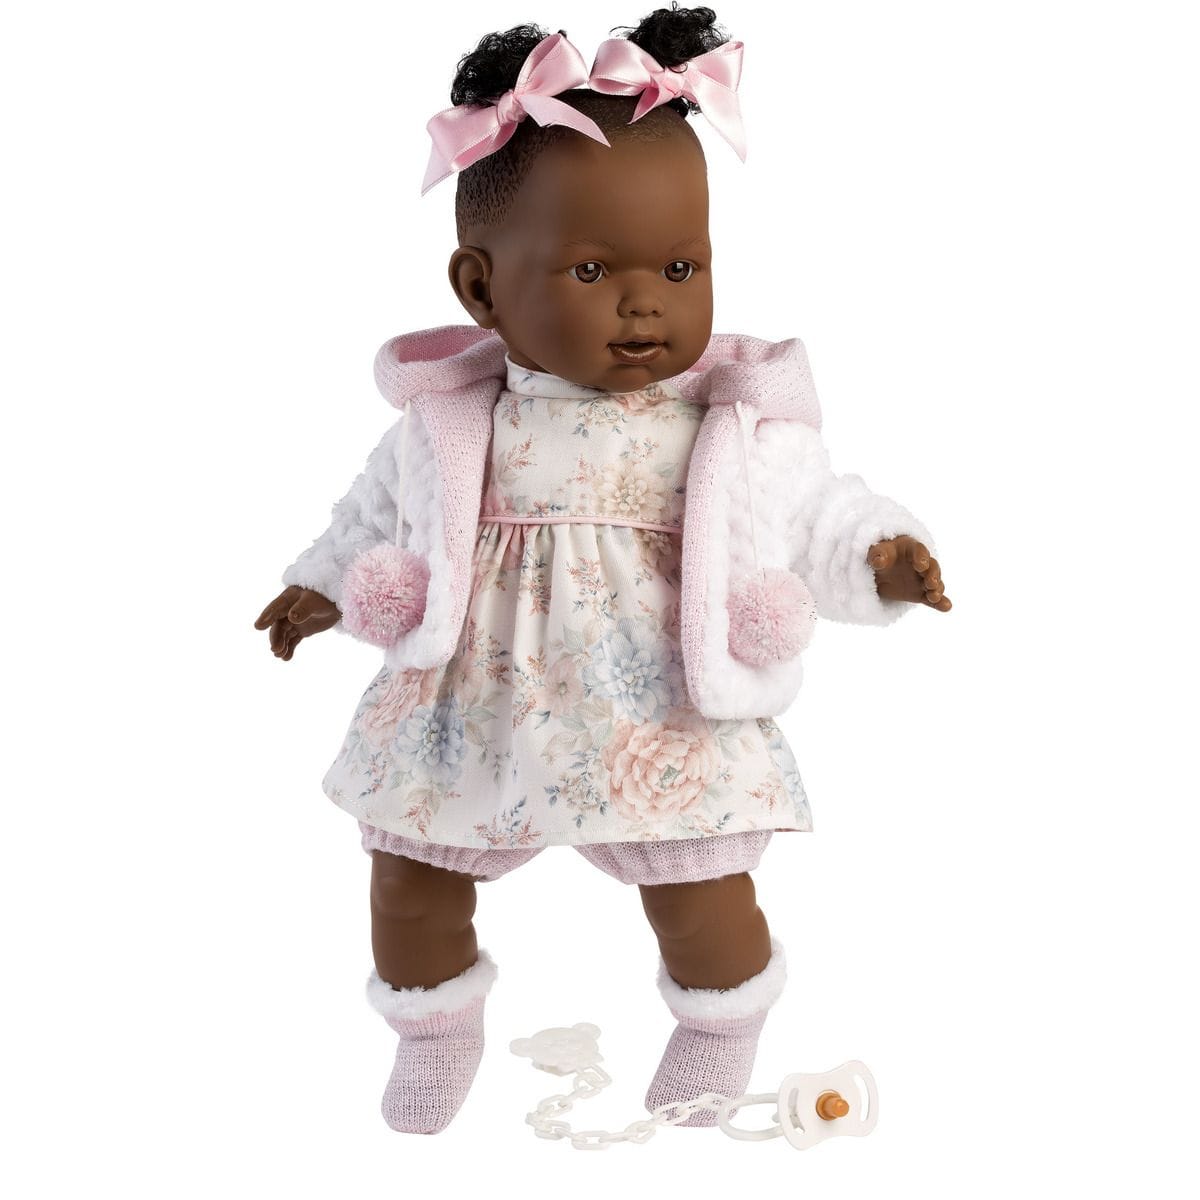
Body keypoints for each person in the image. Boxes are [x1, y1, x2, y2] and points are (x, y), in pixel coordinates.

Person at [254, 7, 950, 1136]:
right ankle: (434, 1029)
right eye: (591, 268)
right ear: (480, 289)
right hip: (472, 707)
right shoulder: (450, 423)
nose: (645, 301)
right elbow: (375, 516)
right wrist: (323, 585)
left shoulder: (722, 425)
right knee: (408, 885)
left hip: (656, 710)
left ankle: (721, 1027)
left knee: (704, 896)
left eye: (680, 266)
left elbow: (816, 509)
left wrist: (881, 557)